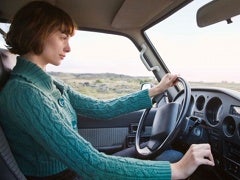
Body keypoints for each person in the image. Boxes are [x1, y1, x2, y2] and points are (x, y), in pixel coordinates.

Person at [0, 1, 215, 179]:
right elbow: (90, 164)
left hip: (74, 168)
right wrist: (177, 170)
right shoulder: (25, 94)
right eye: (63, 37)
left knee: (167, 155)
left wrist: (155, 90)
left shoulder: (48, 83)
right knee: (174, 157)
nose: (68, 48)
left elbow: (100, 108)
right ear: (38, 33)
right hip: (65, 175)